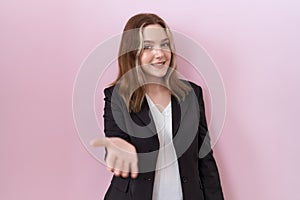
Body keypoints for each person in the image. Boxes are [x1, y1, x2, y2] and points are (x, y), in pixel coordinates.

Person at [90, 13, 224, 200]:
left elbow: (205, 159)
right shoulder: (117, 96)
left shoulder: (192, 94)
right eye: (147, 47)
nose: (160, 53)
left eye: (165, 44)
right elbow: (115, 140)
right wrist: (118, 148)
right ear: (131, 52)